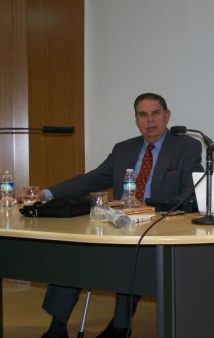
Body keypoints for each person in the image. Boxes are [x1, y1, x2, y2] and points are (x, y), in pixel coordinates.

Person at [38, 93, 204, 338]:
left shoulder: (186, 147)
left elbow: (191, 194)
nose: (150, 120)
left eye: (156, 113)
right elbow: (90, 180)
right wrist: (47, 193)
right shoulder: (124, 149)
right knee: (74, 249)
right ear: (136, 119)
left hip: (159, 226)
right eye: (143, 115)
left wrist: (145, 205)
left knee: (131, 254)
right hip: (118, 223)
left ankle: (120, 326)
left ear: (167, 116)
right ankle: (57, 328)